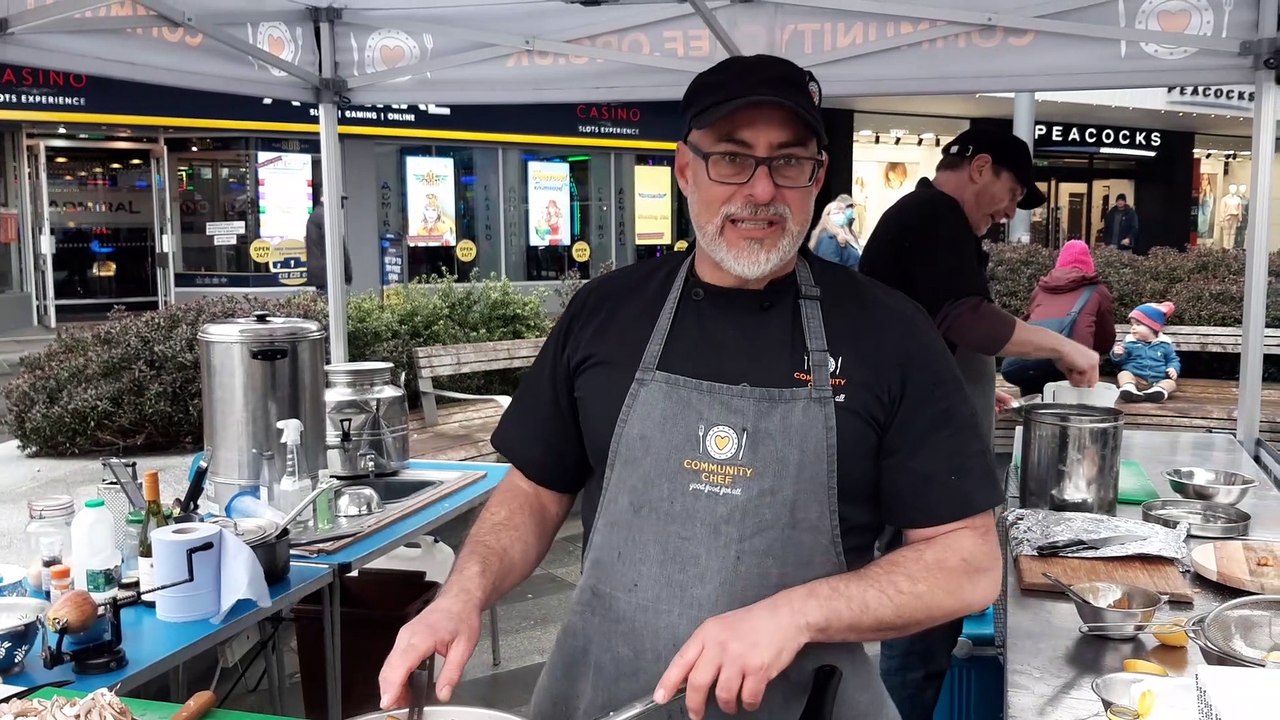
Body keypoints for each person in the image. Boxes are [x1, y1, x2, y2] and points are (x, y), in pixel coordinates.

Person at [377, 54, 1004, 720]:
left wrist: (798, 613)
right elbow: (535, 488)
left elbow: (965, 560)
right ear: (684, 170)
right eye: (732, 158)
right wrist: (462, 594)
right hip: (601, 697)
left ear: (817, 178)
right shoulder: (606, 313)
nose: (761, 191)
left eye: (789, 162)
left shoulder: (891, 333)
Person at [857, 126, 1100, 720]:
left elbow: (928, 330)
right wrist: (1060, 347)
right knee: (923, 604)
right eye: (1013, 192)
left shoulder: (932, 221)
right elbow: (967, 318)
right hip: (912, 455)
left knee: (927, 613)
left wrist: (971, 386)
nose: (1011, 210)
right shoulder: (935, 215)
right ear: (981, 167)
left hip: (915, 434)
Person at [1005, 240, 1116, 398]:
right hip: (1074, 370)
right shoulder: (1098, 291)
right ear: (1089, 264)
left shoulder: (1040, 289)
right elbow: (1105, 339)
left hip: (1030, 365)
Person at [1113, 302, 1181, 403]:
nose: (1133, 328)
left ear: (1153, 327)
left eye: (1138, 324)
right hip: (1135, 378)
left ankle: (1158, 391)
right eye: (1132, 324)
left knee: (1171, 383)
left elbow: (1172, 359)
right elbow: (1121, 362)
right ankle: (1129, 389)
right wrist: (1118, 354)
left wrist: (1173, 368)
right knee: (1123, 374)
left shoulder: (1164, 345)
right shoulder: (1129, 343)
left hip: (1157, 380)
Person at [304, 192, 353, 298]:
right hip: (328, 274)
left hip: (322, 274)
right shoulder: (325, 217)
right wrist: (347, 273)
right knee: (333, 308)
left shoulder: (317, 215)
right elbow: (336, 245)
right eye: (340, 201)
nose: (342, 206)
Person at [807, 195, 861, 268]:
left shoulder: (845, 235)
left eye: (843, 213)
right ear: (827, 216)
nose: (841, 215)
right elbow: (830, 270)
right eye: (837, 213)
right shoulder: (828, 238)